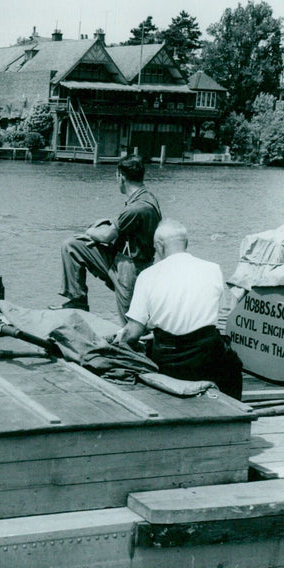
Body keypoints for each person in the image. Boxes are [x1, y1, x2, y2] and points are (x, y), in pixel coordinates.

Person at [114, 219, 243, 399]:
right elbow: (213, 315)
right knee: (233, 364)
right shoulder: (213, 269)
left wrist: (121, 339)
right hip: (206, 357)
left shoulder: (147, 275)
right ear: (186, 243)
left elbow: (133, 333)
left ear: (159, 246)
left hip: (169, 361)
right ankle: (235, 410)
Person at [53, 154, 161, 323]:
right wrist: (108, 222)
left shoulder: (137, 207)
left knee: (131, 324)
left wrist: (90, 232)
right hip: (122, 259)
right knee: (72, 245)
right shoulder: (146, 198)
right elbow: (125, 225)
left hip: (130, 268)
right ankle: (77, 301)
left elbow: (106, 235)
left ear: (121, 177)